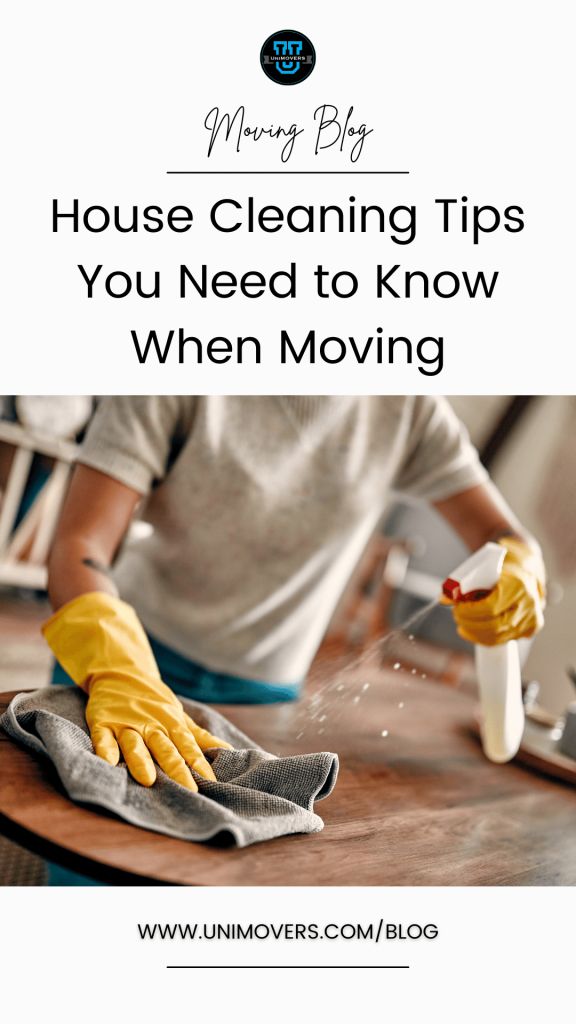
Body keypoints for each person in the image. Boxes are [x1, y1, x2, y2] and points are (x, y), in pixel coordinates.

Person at [42, 396, 546, 791]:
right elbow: (80, 543)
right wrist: (120, 669)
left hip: (265, 699)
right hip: (118, 666)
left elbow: (507, 535)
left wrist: (522, 567)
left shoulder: (408, 405)